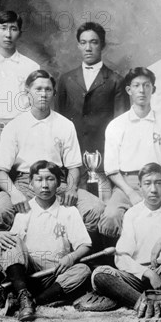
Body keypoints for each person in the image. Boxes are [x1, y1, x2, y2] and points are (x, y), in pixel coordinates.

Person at [0, 70, 105, 239]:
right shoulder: (15, 126)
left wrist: (71, 188)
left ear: (54, 93)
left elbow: (74, 167)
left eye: (48, 90)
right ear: (28, 92)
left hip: (58, 183)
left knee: (95, 208)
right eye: (38, 89)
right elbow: (0, 172)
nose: (43, 94)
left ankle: (75, 253)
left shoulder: (65, 125)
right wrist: (14, 193)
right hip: (24, 184)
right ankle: (13, 258)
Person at [91, 163, 161, 319]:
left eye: (159, 183)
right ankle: (146, 302)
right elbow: (121, 257)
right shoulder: (133, 214)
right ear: (140, 187)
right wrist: (149, 274)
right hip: (140, 276)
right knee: (100, 274)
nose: (153, 189)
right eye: (147, 183)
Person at [99, 67, 161, 244]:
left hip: (158, 183)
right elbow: (111, 169)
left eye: (146, 85)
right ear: (129, 90)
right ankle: (122, 260)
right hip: (128, 185)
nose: (142, 90)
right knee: (111, 216)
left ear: (153, 89)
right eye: (136, 85)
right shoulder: (116, 125)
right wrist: (132, 194)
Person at [0, 161, 92, 321]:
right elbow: (13, 248)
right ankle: (23, 293)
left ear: (59, 183)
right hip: (28, 275)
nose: (45, 185)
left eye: (50, 179)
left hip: (56, 274)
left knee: (83, 270)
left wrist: (71, 257)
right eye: (39, 180)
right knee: (12, 242)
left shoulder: (69, 211)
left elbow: (85, 245)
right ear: (31, 184)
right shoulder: (24, 210)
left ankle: (32, 302)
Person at [56, 22, 129, 199]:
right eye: (83, 42)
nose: (88, 47)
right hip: (72, 159)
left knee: (102, 206)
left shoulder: (115, 80)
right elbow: (59, 122)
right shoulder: (66, 79)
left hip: (103, 158)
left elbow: (120, 126)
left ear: (102, 45)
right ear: (78, 45)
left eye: (94, 42)